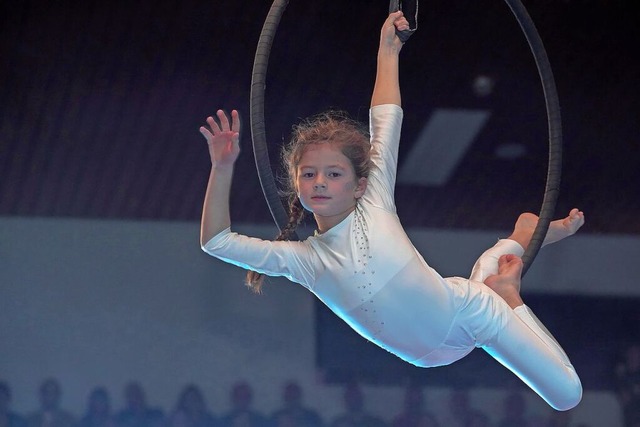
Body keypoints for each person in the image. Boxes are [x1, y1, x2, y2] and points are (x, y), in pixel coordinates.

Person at [198, 10, 584, 412]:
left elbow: (385, 119)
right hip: (430, 352)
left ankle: (507, 290)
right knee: (469, 288)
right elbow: (216, 241)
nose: (320, 182)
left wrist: (388, 50)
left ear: (359, 184)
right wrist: (223, 167)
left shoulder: (374, 199)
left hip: (471, 315)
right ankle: (517, 240)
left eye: (333, 174)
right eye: (309, 174)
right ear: (298, 184)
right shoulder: (306, 260)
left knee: (566, 396)